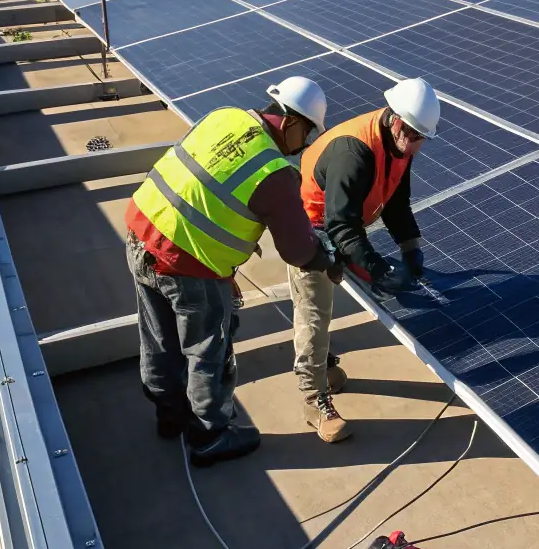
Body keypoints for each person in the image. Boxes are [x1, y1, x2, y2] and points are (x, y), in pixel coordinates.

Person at [125, 76, 343, 466]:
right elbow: (298, 251)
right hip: (189, 266)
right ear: (293, 122)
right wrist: (326, 258)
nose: (305, 145)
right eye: (308, 133)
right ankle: (210, 435)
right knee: (209, 350)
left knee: (158, 338)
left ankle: (169, 415)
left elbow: (204, 191)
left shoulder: (225, 117)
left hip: (141, 233)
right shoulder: (274, 173)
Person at [290, 78, 441, 444]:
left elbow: (396, 202)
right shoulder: (354, 153)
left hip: (341, 221)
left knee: (331, 296)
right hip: (310, 226)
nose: (418, 144)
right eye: (415, 135)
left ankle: (323, 366)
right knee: (314, 308)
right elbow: (340, 226)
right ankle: (313, 400)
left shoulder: (401, 146)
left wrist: (410, 247)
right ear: (395, 121)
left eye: (423, 137)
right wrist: (376, 270)